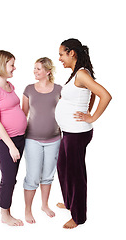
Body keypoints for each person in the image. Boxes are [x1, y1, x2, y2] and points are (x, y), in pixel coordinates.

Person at [55, 38, 112, 229]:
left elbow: (105, 95)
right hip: (69, 132)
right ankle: (70, 202)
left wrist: (91, 117)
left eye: (62, 54)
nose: (60, 58)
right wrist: (87, 108)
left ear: (72, 53)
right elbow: (93, 92)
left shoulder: (81, 74)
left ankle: (79, 216)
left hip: (77, 134)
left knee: (75, 174)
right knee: (63, 168)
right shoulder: (76, 74)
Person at [0, 50, 27, 226]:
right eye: (11, 64)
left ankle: (2, 201)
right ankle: (5, 213)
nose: (14, 68)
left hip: (20, 138)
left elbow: (16, 110)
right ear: (2, 65)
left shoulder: (10, 86)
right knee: (9, 178)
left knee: (10, 175)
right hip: (5, 141)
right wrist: (11, 146)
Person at [22, 57, 62, 224]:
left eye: (38, 69)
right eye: (34, 68)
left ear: (48, 71)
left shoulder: (59, 89)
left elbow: (64, 113)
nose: (35, 71)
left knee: (48, 175)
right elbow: (23, 115)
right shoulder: (29, 89)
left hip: (54, 139)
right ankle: (27, 210)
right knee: (32, 176)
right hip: (32, 139)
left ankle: (44, 205)